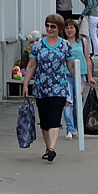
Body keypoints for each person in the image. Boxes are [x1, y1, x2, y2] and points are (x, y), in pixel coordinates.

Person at [23, 13, 73, 162]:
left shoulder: (65, 45)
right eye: (47, 26)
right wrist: (25, 84)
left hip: (59, 86)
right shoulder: (38, 45)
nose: (49, 29)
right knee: (44, 120)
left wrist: (80, 81)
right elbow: (31, 65)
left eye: (53, 26)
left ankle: (52, 148)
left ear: (59, 28)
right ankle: (47, 147)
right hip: (41, 86)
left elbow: (70, 65)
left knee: (55, 117)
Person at [60, 18, 97, 138]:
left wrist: (90, 77)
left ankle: (76, 125)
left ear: (76, 29)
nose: (69, 30)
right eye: (67, 28)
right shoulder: (62, 43)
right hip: (65, 75)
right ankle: (69, 129)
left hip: (80, 75)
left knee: (77, 102)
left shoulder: (82, 41)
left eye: (71, 27)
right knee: (67, 101)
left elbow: (87, 60)